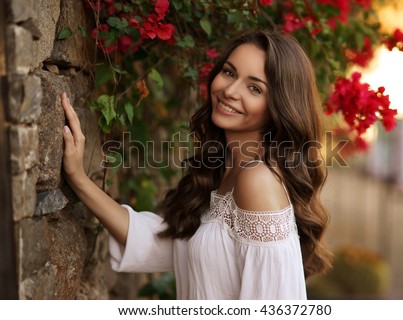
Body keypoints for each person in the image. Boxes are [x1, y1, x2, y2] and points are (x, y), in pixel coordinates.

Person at [61, 29, 331, 300]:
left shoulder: (257, 181)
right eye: (229, 72)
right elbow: (167, 243)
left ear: (278, 106)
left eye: (254, 88)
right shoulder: (222, 167)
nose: (230, 91)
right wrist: (79, 178)